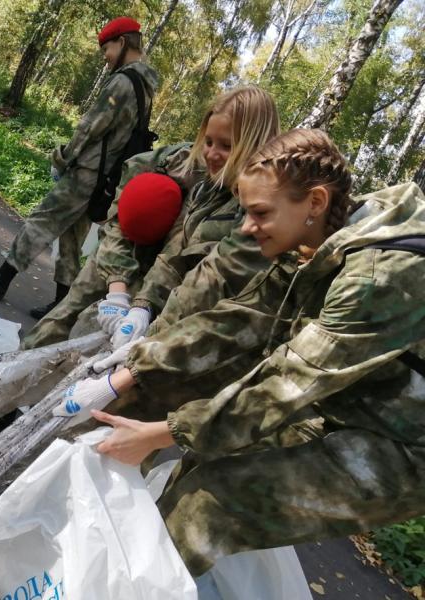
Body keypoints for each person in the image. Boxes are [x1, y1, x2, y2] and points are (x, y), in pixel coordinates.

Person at [54, 128, 425, 577]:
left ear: (315, 202)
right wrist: (136, 361)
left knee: (212, 504)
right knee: (198, 465)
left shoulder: (377, 276)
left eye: (260, 213)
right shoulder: (323, 237)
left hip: (403, 449)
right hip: (342, 407)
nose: (247, 227)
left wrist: (159, 432)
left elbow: (287, 383)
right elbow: (240, 318)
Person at [21, 85, 278, 349]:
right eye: (209, 141)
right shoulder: (176, 162)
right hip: (118, 259)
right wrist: (117, 289)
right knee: (59, 324)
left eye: (227, 146)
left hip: (171, 302)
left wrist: (143, 307)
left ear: (253, 145)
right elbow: (121, 221)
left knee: (98, 361)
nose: (211, 154)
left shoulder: (252, 213)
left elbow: (197, 269)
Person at [0, 17, 159, 318]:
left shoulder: (122, 82)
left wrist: (63, 157)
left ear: (122, 43)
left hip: (87, 171)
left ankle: (0, 279)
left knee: (41, 220)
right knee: (70, 238)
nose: (105, 57)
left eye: (107, 49)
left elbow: (91, 126)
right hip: (105, 178)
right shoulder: (146, 88)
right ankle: (60, 305)